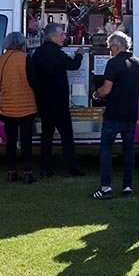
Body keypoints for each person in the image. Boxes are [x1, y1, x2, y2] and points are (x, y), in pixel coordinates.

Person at [89, 31, 139, 199]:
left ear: (116, 46)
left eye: (110, 48)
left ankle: (106, 187)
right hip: (131, 113)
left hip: (113, 113)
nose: (110, 51)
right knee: (129, 150)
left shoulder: (113, 63)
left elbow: (106, 89)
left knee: (106, 149)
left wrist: (96, 94)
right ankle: (127, 186)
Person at [31, 22, 84, 178]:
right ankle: (72, 168)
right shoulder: (56, 53)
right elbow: (73, 65)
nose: (64, 38)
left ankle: (45, 168)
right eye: (62, 35)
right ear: (53, 37)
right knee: (67, 136)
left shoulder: (38, 53)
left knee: (46, 137)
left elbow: (33, 77)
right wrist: (79, 53)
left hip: (43, 101)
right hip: (59, 102)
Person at [0, 31, 37, 183]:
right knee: (26, 141)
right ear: (21, 44)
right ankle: (27, 173)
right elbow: (33, 81)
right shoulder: (25, 58)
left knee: (10, 142)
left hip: (7, 107)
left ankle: (11, 172)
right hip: (26, 107)